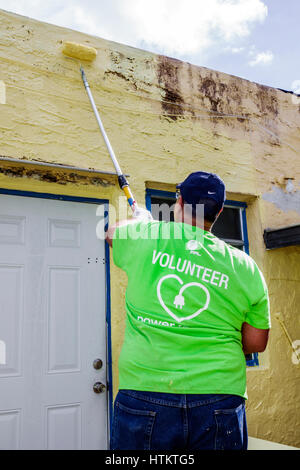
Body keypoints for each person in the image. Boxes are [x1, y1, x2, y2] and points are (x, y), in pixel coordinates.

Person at [105, 171, 270, 451]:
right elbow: (256, 343)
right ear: (218, 212)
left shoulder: (145, 236)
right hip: (220, 396)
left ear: (179, 200)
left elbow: (111, 233)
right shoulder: (245, 266)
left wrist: (141, 221)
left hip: (146, 390)